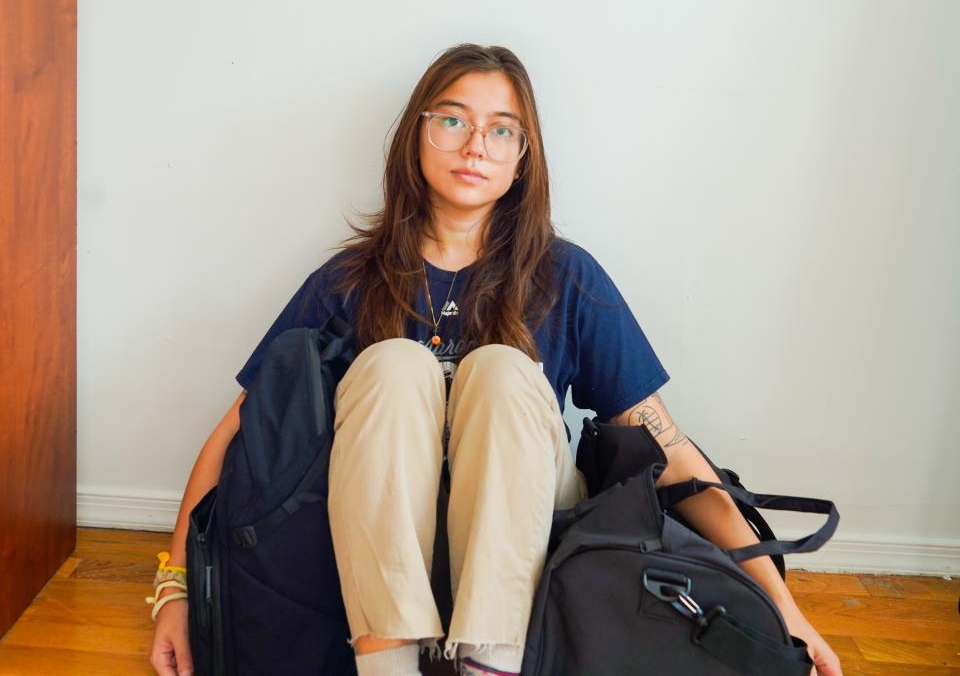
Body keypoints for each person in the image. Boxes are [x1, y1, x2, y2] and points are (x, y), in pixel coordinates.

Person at [150, 43, 842, 676]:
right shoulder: (348, 281)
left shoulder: (567, 277)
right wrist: (173, 591)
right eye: (452, 120)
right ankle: (387, 666)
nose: (476, 144)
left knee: (502, 369)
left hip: (525, 545)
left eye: (501, 129)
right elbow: (237, 434)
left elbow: (673, 453)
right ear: (415, 136)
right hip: (380, 548)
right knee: (396, 365)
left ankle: (492, 664)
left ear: (522, 156)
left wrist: (782, 606)